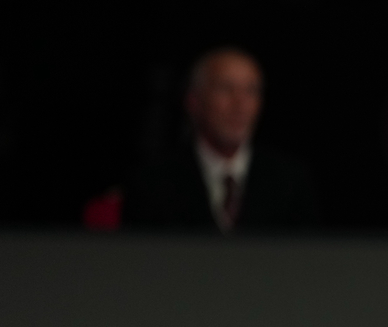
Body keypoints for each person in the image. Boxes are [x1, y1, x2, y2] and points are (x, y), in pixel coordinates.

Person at [122, 47, 317, 231]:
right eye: (225, 88)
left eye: (251, 91)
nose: (240, 104)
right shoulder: (153, 182)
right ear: (193, 101)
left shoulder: (290, 183)